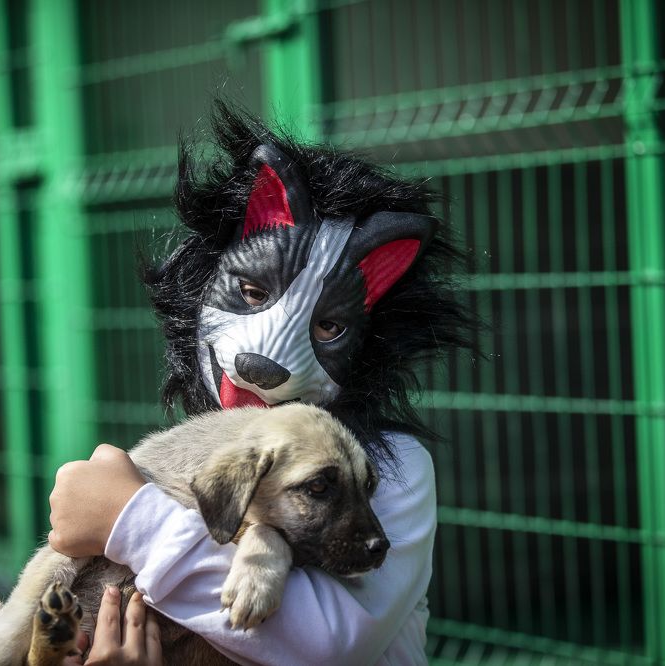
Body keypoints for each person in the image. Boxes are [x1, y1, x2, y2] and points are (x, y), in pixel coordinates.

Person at [48, 104, 473, 665]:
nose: (264, 361)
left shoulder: (391, 470)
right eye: (250, 294)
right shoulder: (200, 457)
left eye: (328, 325)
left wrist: (131, 519)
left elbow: (328, 644)